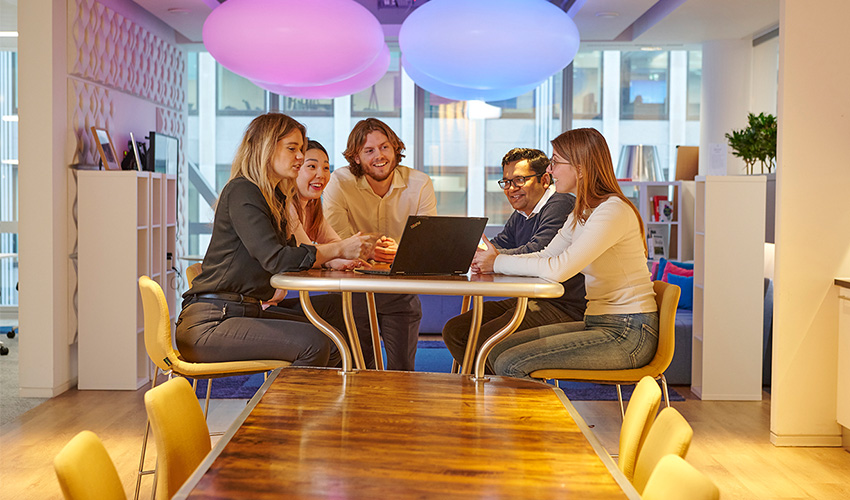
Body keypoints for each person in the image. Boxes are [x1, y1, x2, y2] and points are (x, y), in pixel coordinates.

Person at [176, 113, 372, 367]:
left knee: (333, 338)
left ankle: (326, 405)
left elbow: (291, 253)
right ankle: (280, 408)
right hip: (211, 322)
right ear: (266, 148)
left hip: (243, 311)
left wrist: (330, 260)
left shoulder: (272, 198)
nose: (300, 157)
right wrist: (338, 249)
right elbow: (276, 259)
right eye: (293, 149)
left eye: (301, 149)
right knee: (314, 343)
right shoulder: (242, 191)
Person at [473, 128, 658, 379]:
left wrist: (497, 262)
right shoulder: (582, 211)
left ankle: (543, 420)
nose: (550, 170)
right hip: (598, 322)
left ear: (580, 168)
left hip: (628, 331)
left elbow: (559, 269)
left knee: (510, 363)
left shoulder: (612, 211)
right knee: (495, 352)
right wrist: (494, 262)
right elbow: (545, 256)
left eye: (555, 162)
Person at [441, 148, 586, 371]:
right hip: (530, 299)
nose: (511, 189)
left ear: (545, 180)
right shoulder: (522, 212)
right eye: (506, 182)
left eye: (519, 180)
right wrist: (475, 254)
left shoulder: (561, 204)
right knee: (456, 330)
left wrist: (492, 259)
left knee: (485, 339)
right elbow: (500, 244)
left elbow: (539, 250)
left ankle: (495, 395)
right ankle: (489, 391)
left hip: (564, 306)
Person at [323, 118, 438, 371]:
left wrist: (403, 252)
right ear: (355, 157)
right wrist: (369, 250)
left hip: (400, 290)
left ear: (396, 148)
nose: (380, 156)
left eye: (385, 147)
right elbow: (339, 243)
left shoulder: (420, 183)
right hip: (352, 290)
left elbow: (426, 245)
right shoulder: (339, 182)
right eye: (369, 150)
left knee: (403, 371)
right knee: (359, 371)